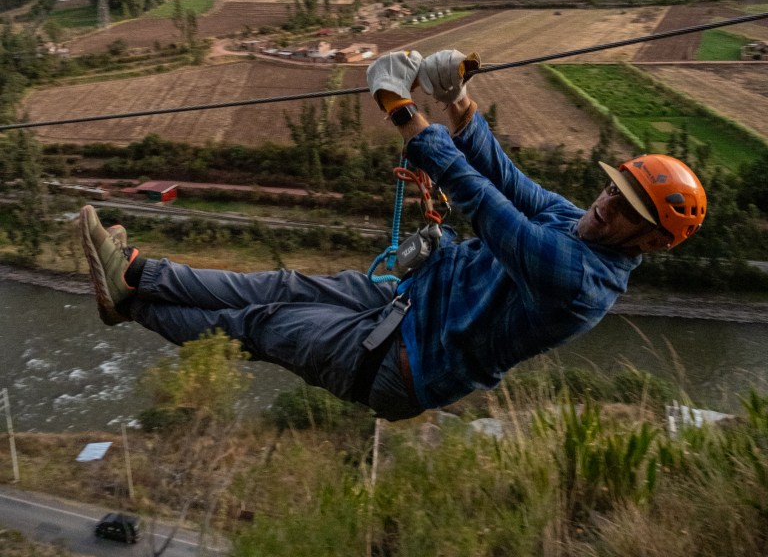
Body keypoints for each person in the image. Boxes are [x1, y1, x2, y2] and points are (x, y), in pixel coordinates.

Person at [80, 49, 707, 422]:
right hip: (401, 302)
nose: (606, 207)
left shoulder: (580, 283)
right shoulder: (577, 221)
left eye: (628, 211)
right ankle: (137, 273)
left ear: (650, 243)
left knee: (261, 323)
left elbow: (486, 206)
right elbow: (506, 178)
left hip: (402, 364)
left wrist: (403, 111)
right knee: (276, 284)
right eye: (613, 190)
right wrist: (458, 101)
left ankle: (131, 303)